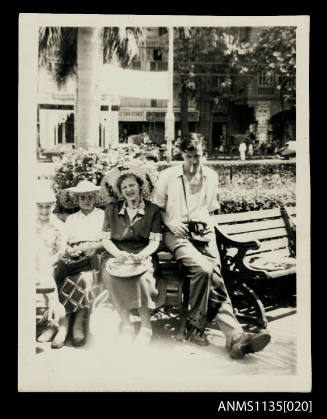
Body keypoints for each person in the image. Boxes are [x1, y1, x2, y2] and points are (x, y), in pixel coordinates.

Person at [154, 133, 271, 359]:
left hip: (204, 234)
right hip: (176, 234)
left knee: (215, 278)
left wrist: (207, 233)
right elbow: (156, 207)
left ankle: (235, 338)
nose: (194, 162)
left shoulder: (211, 176)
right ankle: (196, 327)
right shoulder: (168, 176)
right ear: (182, 155)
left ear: (203, 154)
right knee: (205, 270)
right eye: (189, 156)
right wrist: (170, 221)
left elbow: (210, 209)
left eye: (197, 156)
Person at [100, 167, 162, 347]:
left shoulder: (153, 210)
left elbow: (155, 242)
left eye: (132, 185)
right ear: (120, 191)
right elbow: (105, 239)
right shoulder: (112, 209)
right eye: (125, 187)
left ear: (140, 186)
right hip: (117, 254)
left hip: (144, 253)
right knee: (109, 275)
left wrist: (141, 256)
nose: (129, 190)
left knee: (142, 277)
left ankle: (145, 326)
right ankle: (126, 324)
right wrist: (118, 254)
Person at [53, 180, 105, 347]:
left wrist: (91, 246)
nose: (86, 201)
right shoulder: (71, 219)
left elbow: (107, 240)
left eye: (90, 197)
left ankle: (77, 324)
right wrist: (70, 251)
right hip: (73, 258)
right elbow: (64, 242)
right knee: (63, 274)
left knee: (84, 279)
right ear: (77, 200)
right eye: (82, 198)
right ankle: (64, 323)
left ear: (95, 197)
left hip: (93, 256)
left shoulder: (102, 215)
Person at [35, 182, 67, 348]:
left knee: (46, 273)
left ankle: (57, 324)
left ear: (53, 206)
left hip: (53, 265)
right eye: (40, 207)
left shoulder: (58, 226)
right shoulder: (30, 225)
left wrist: (47, 262)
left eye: (48, 207)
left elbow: (61, 252)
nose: (44, 211)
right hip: (34, 266)